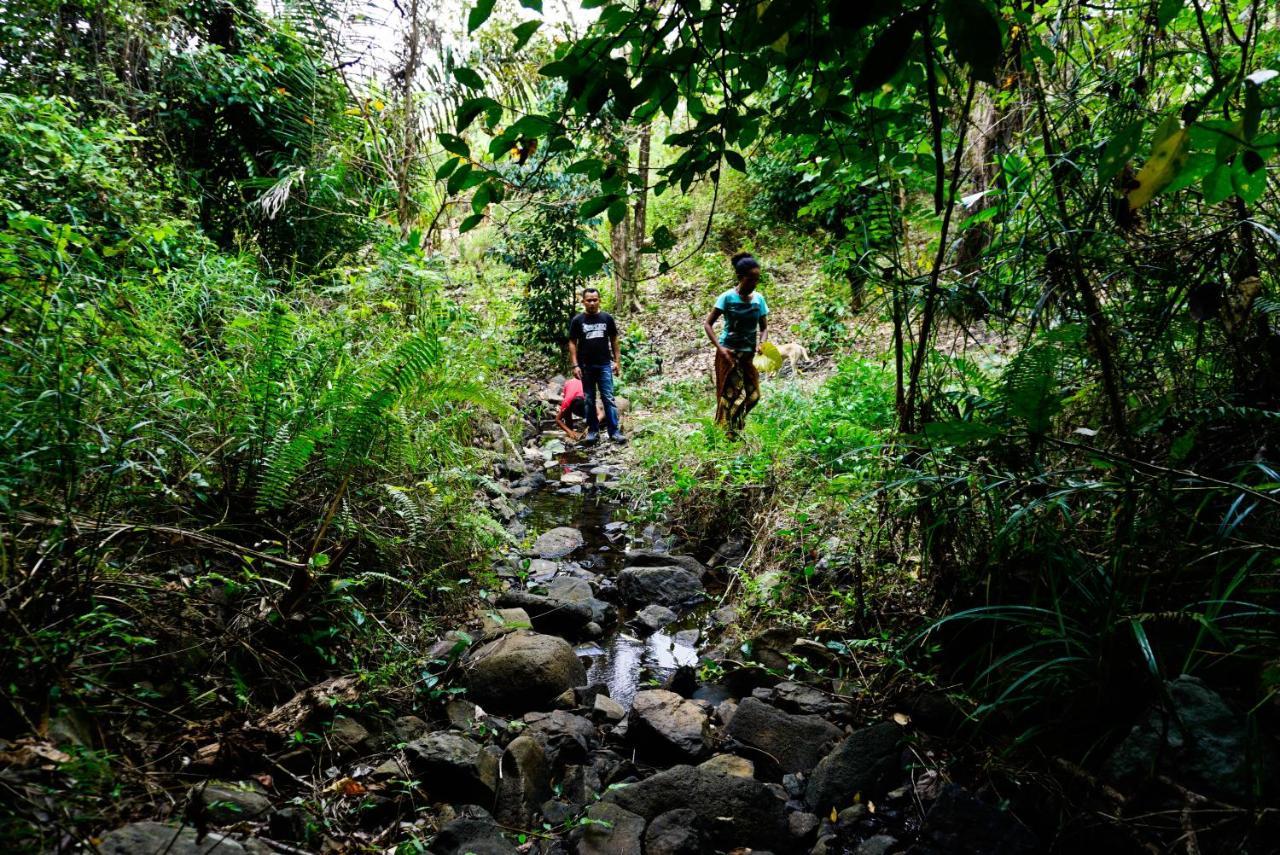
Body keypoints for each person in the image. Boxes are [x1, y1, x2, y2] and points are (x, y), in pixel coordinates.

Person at [704, 253, 768, 439]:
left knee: (753, 395)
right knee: (730, 396)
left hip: (748, 355)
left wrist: (762, 342)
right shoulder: (727, 298)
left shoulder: (759, 300)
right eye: (751, 279)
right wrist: (720, 348)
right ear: (740, 278)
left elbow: (764, 328)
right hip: (728, 355)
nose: (755, 283)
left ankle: (732, 426)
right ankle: (730, 433)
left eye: (757, 279)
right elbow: (708, 324)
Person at [567, 288, 626, 444]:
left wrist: (617, 361)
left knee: (608, 397)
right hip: (586, 366)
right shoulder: (578, 320)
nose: (592, 303)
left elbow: (614, 340)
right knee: (589, 399)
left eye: (595, 300)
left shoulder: (607, 318)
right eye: (589, 300)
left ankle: (614, 432)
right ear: (583, 302)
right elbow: (572, 342)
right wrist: (575, 365)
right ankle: (593, 431)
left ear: (599, 300)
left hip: (604, 365)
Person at [554, 376, 605, 441]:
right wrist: (570, 432)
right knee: (567, 413)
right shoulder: (567, 402)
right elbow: (558, 419)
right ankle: (571, 431)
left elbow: (601, 414)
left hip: (584, 384)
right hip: (569, 385)